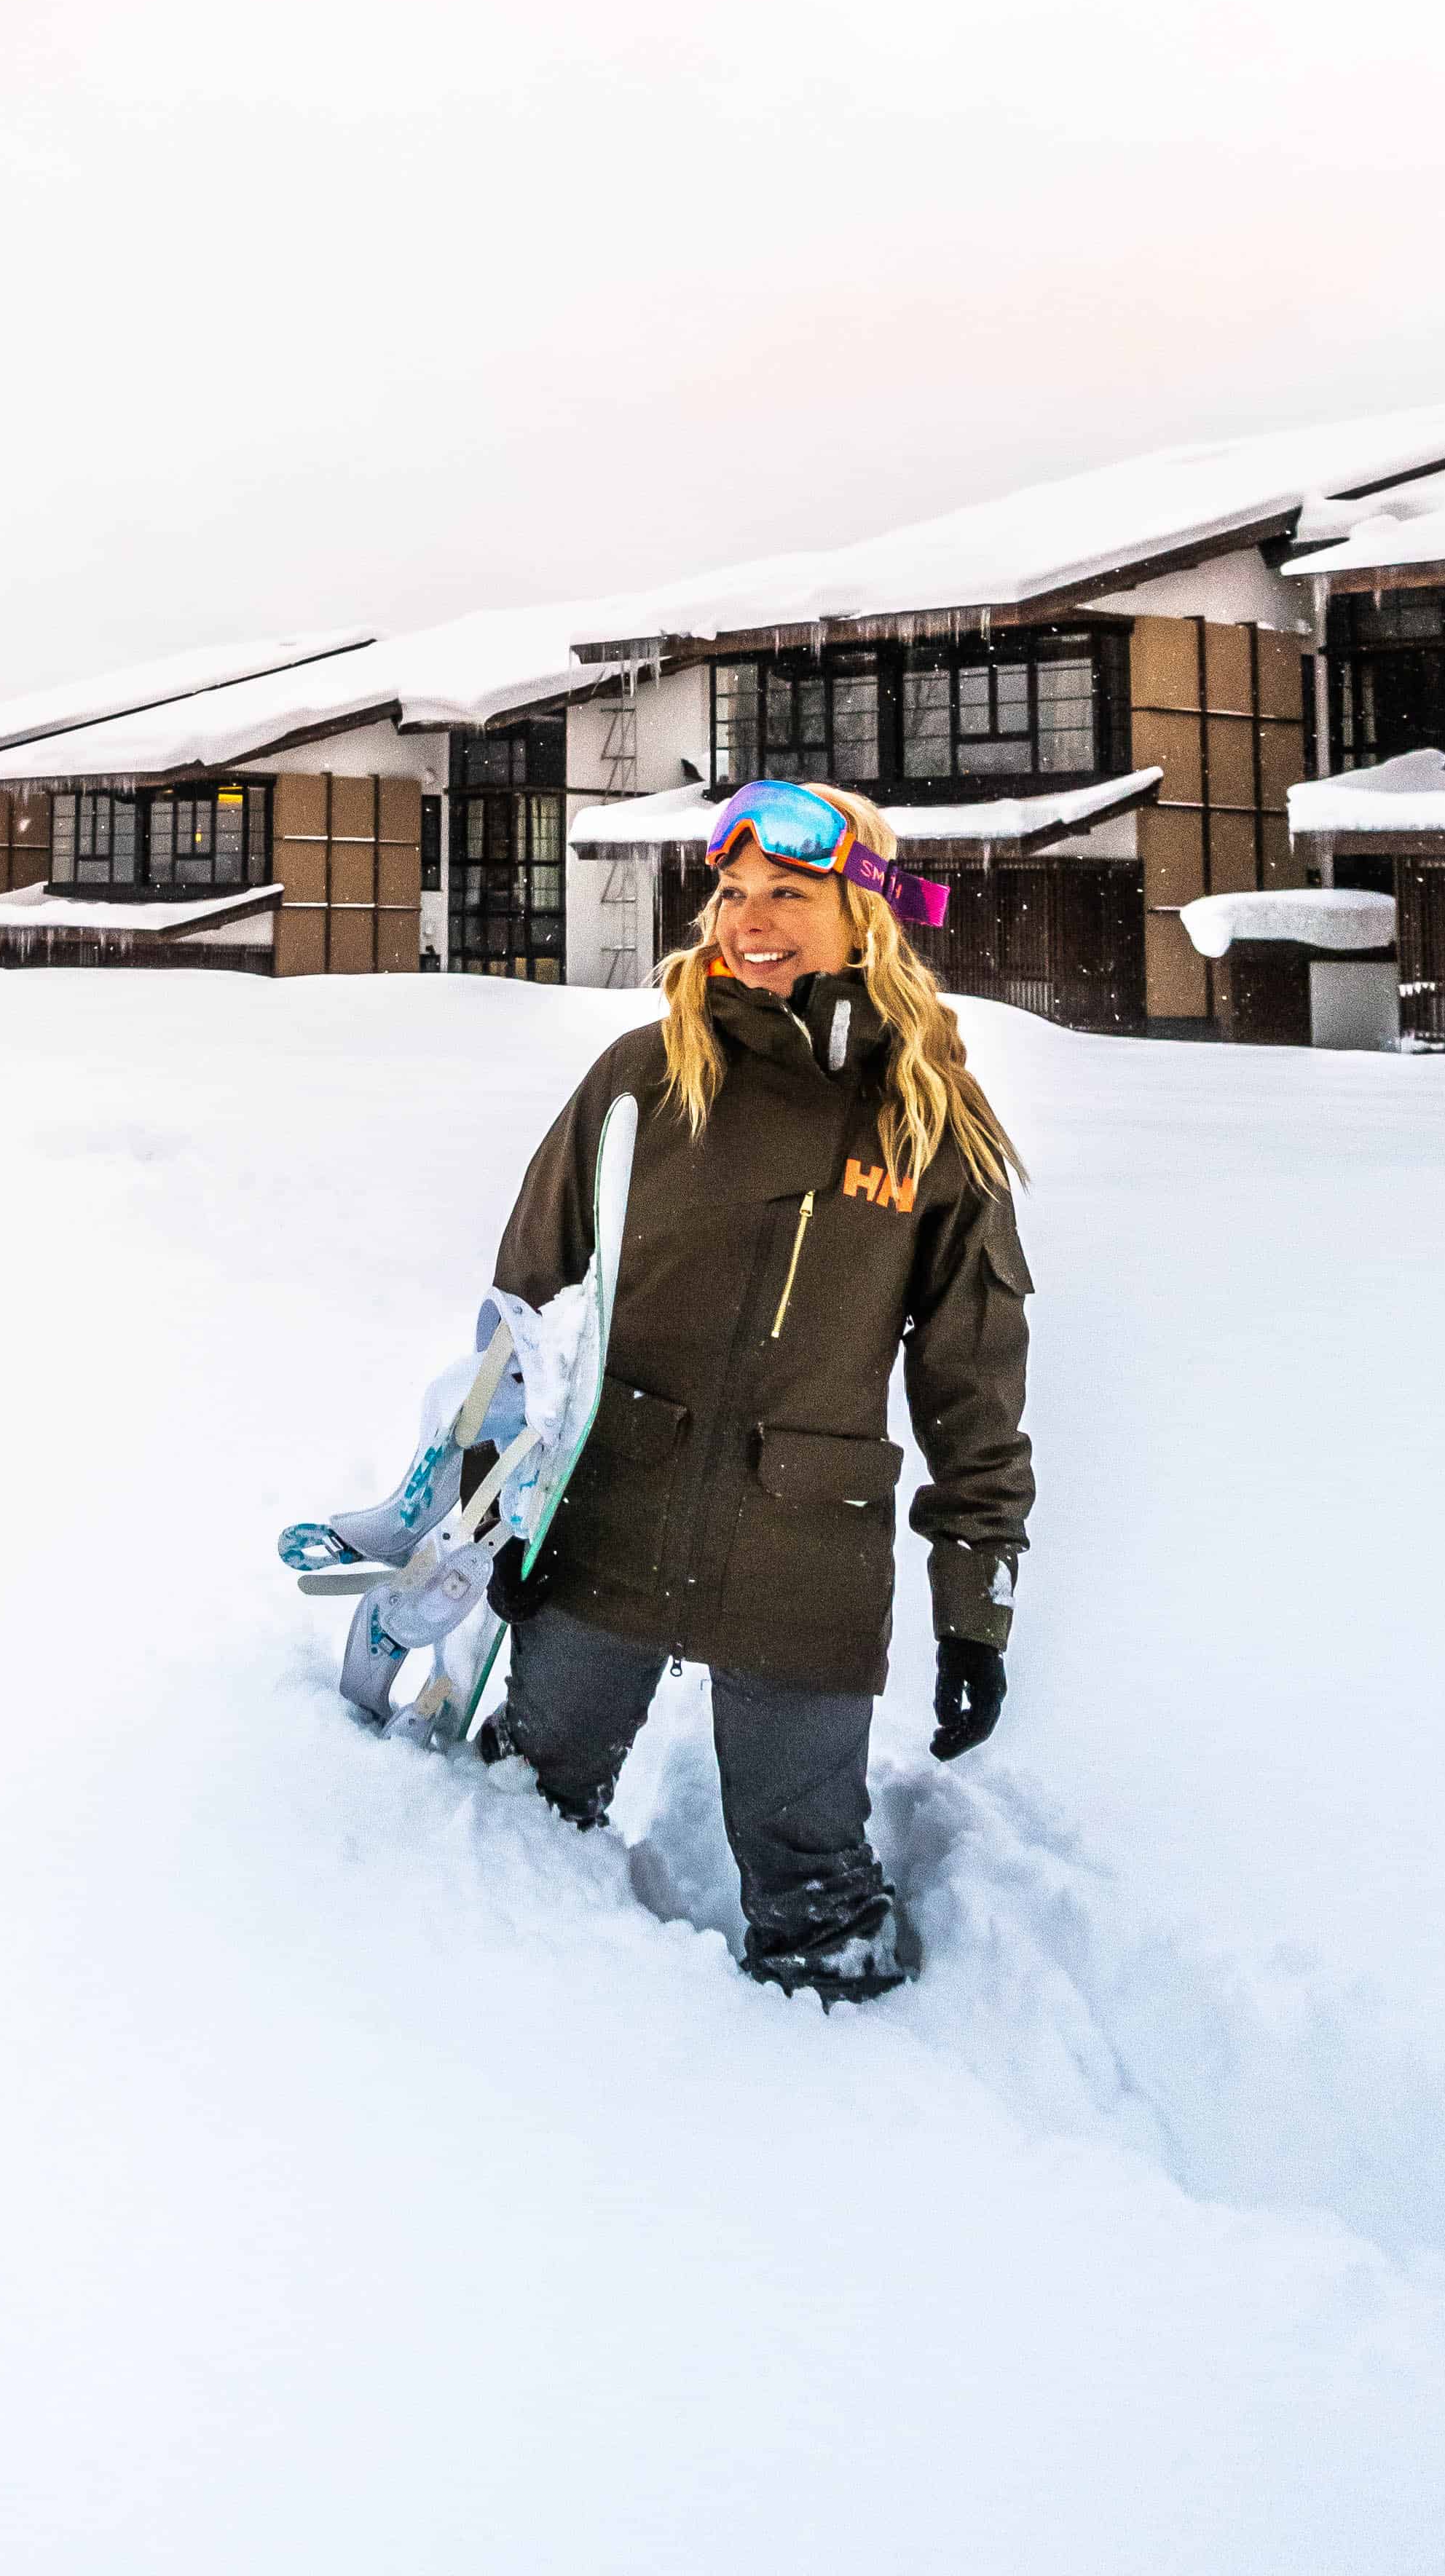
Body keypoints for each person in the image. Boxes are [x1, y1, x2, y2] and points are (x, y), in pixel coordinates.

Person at [470, 778, 1033, 2003]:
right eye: (733, 893)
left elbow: (972, 1389)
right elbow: (521, 1309)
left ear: (867, 914)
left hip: (805, 1547)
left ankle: (853, 2124)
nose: (750, 919)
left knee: (812, 1870)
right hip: (605, 1515)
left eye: (788, 892)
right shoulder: (643, 1078)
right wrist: (486, 1508)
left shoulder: (933, 1125)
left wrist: (973, 1605)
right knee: (523, 1803)